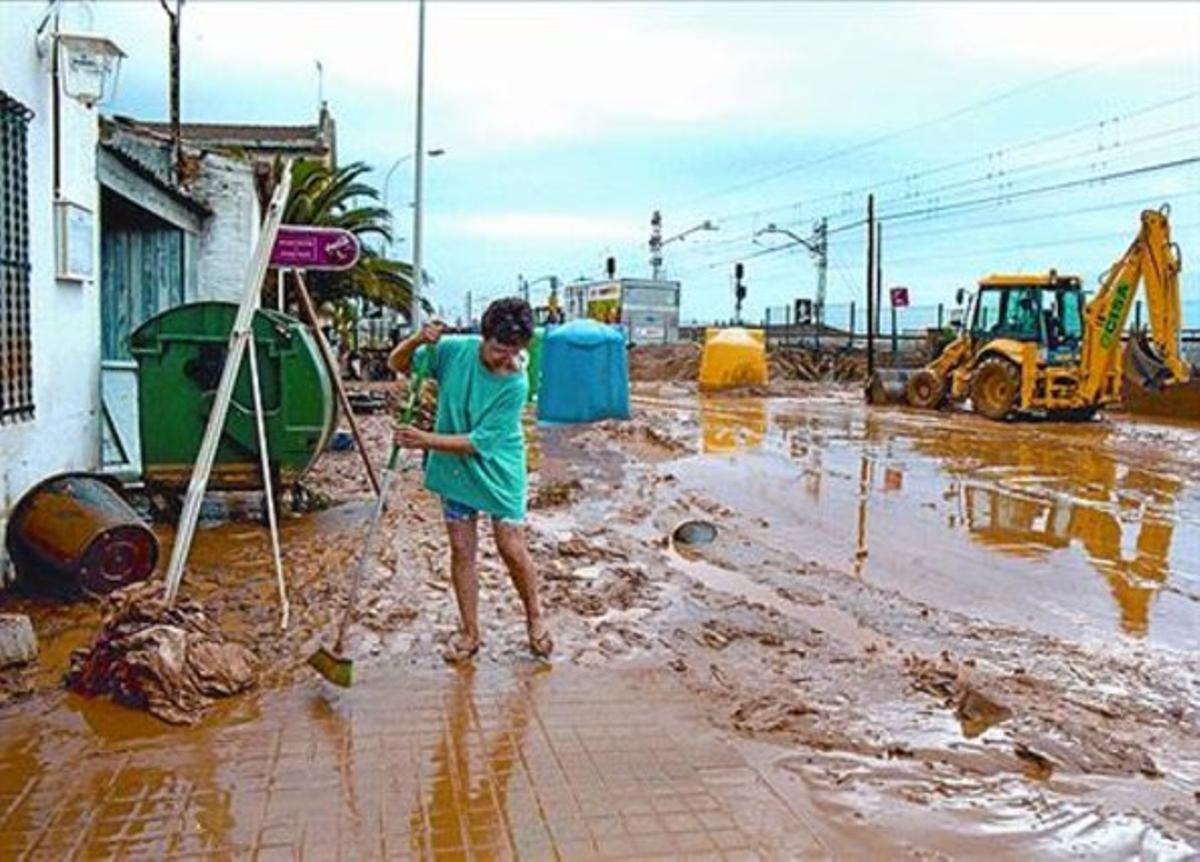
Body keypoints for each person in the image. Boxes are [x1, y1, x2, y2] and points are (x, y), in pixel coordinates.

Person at [387, 298, 551, 663]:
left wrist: (423, 440)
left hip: (499, 467)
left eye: (514, 351)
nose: (505, 358)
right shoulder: (454, 351)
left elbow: (480, 443)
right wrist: (418, 340)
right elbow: (396, 364)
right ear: (484, 337)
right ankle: (470, 632)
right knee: (462, 549)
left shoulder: (516, 383)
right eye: (499, 349)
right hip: (455, 469)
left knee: (510, 545)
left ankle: (535, 616)